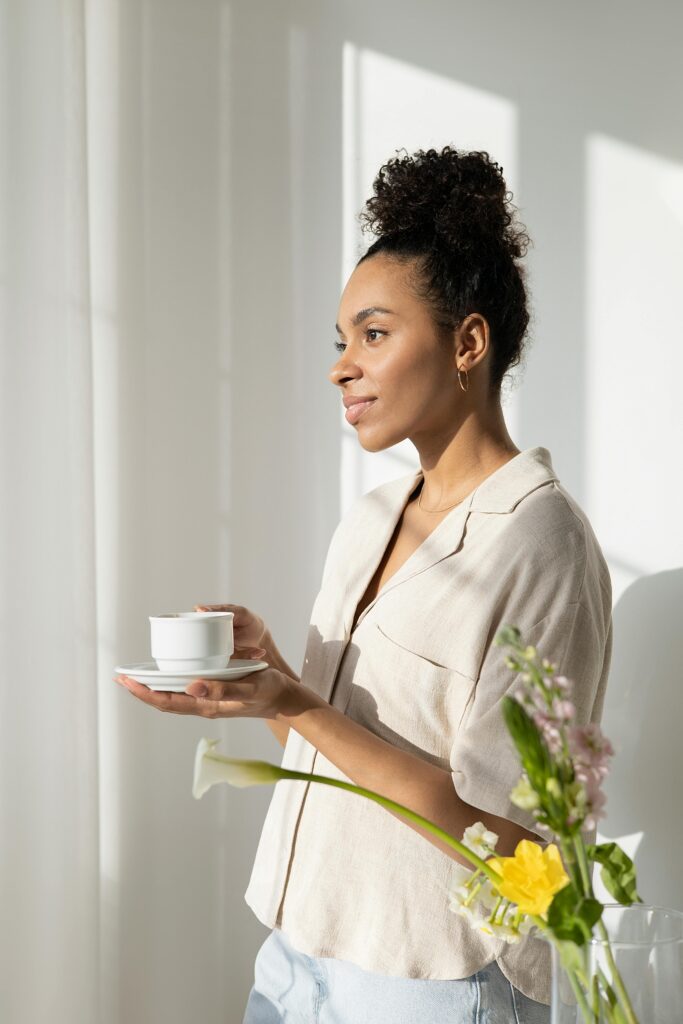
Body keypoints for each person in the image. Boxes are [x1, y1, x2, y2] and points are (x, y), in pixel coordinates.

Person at [116, 145, 613, 1023]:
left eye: (374, 335)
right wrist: (274, 690)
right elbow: (340, 768)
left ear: (467, 342)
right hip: (290, 957)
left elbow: (508, 841)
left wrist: (297, 704)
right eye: (341, 341)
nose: (342, 366)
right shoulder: (371, 518)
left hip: (424, 987)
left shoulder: (542, 543)